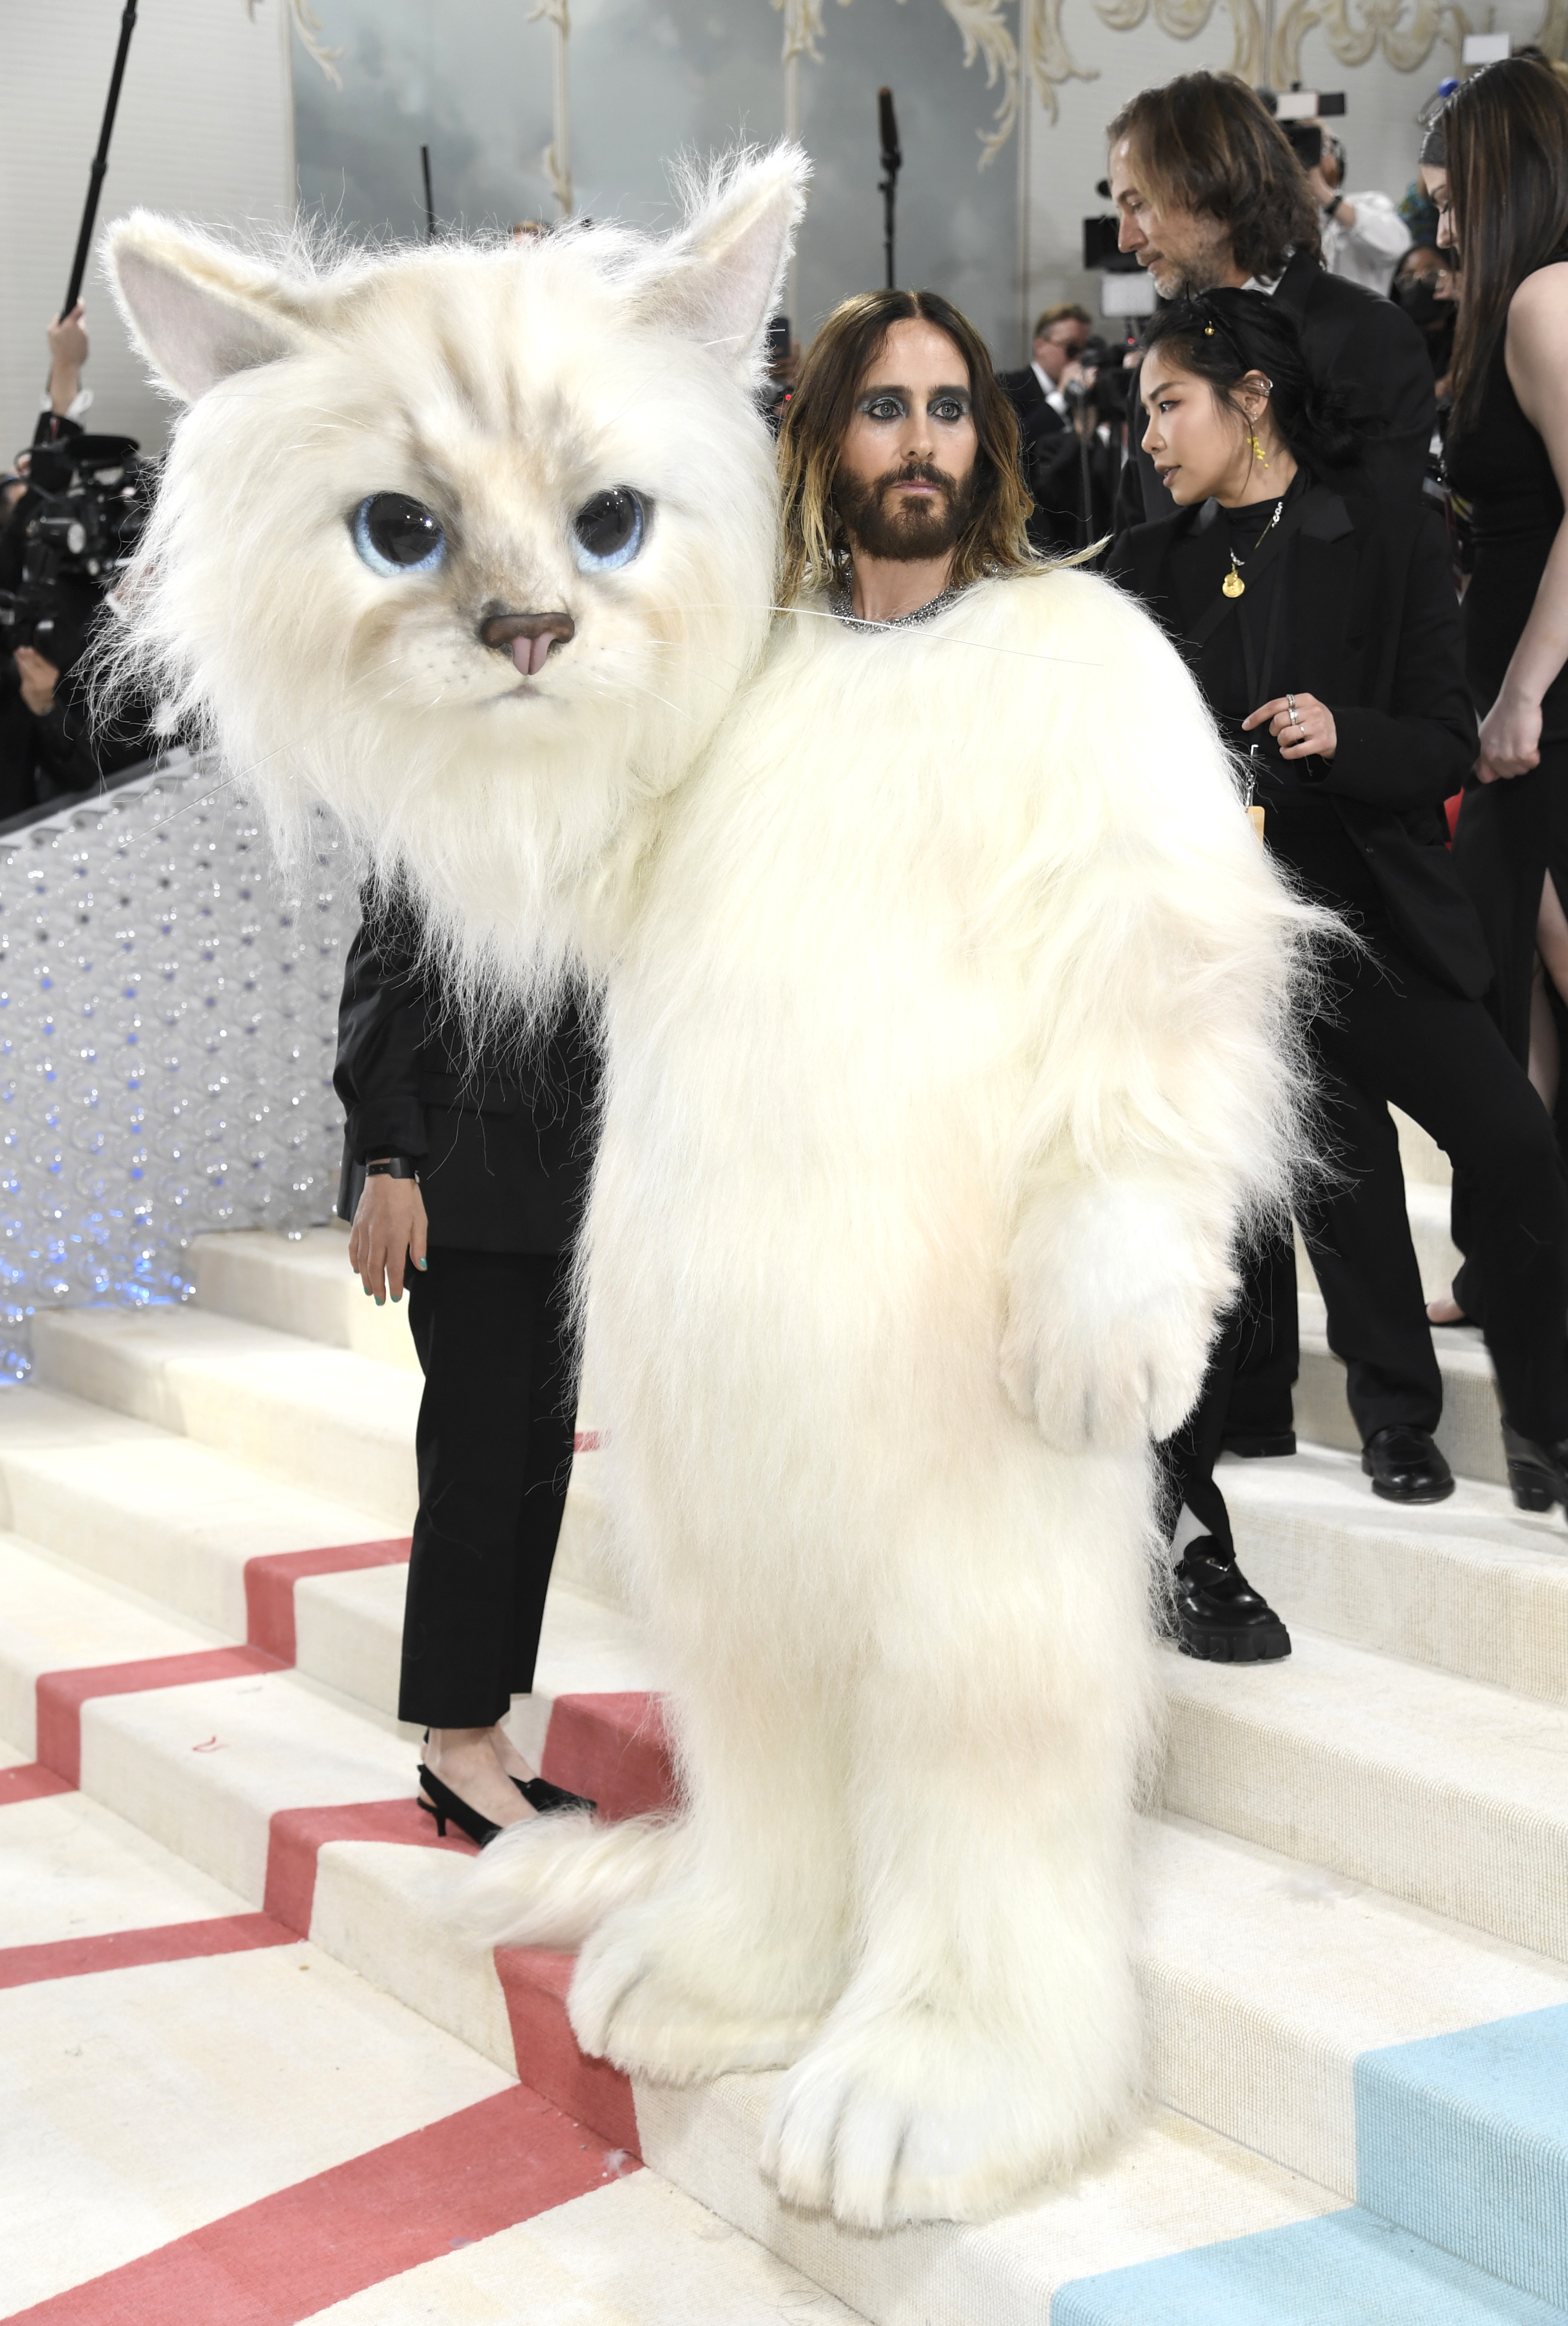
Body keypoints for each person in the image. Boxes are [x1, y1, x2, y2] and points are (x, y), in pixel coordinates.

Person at [1108, 288, 1568, 1584]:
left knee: (1512, 1144)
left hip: (1378, 908)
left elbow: (1440, 736)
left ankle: (1542, 1410)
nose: (1147, 434)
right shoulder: (1147, 569)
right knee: (1345, 1184)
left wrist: (1334, 734)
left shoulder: (1388, 539)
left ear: (1248, 401)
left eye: (1167, 404)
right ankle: (1393, 1422)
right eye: (1142, 410)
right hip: (1246, 932)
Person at [335, 881, 600, 1842]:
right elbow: (384, 976)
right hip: (454, 1173)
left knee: (536, 1467)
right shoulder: (444, 788)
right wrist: (389, 1163)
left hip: (560, 1172)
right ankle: (454, 1744)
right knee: (476, 1466)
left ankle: (484, 1728)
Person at [1427, 63, 1568, 1469]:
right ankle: (1510, 1277)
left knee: (1508, 986)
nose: (1433, 198)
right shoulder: (1509, 304)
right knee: (1505, 999)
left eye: (1452, 173)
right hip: (1512, 699)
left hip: (1545, 707)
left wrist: (1523, 686)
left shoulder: (1544, 300)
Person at [1106, 72, 1434, 522]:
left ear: (1213, 184)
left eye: (1138, 203)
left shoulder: (1368, 337)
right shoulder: (1161, 358)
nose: (1125, 239)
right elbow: (1139, 540)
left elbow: (1374, 555)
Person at [1309, 128, 1411, 295]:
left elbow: (1396, 246)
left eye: (1322, 148)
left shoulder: (1369, 203)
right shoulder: (1277, 217)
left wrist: (1323, 194)